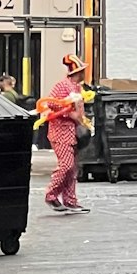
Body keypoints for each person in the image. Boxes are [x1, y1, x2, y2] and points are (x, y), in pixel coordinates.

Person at [44, 54, 90, 214]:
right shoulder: (62, 86)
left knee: (72, 168)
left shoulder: (77, 88)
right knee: (66, 165)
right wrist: (70, 115)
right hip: (61, 131)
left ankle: (70, 200)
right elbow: (51, 103)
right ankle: (51, 195)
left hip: (72, 132)